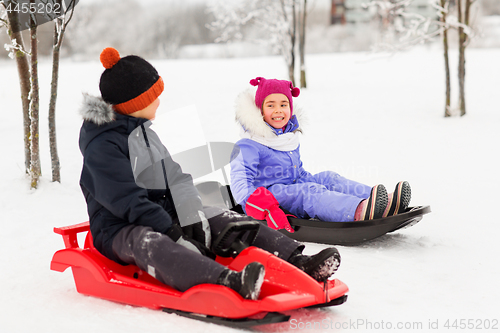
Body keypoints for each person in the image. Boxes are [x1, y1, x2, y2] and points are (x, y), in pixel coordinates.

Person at [78, 48, 341, 301]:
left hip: (162, 214)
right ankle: (229, 282)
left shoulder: (145, 133)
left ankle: (297, 262)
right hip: (119, 227)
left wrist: (192, 213)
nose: (158, 101)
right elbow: (127, 200)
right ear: (136, 103)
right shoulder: (102, 147)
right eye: (152, 96)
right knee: (153, 244)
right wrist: (171, 231)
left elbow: (176, 177)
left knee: (223, 217)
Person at [230, 77, 412, 232]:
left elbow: (298, 174)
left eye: (283, 104)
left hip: (292, 188)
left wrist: (314, 180)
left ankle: (379, 201)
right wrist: (266, 208)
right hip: (267, 198)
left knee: (328, 178)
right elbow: (241, 186)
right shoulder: (248, 145)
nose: (278, 110)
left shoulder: (286, 138)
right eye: (271, 105)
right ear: (260, 110)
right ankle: (358, 210)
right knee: (309, 191)